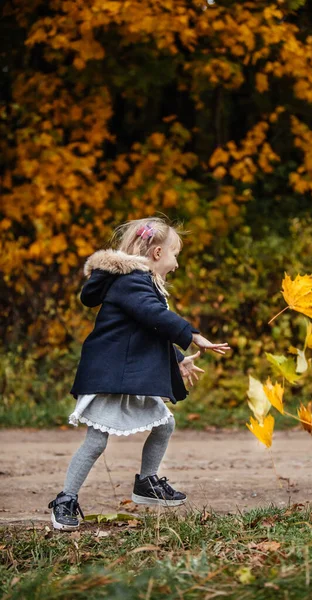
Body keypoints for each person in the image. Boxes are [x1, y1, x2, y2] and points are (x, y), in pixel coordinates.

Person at [48, 217, 230, 530]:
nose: (176, 264)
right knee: (95, 442)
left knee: (164, 425)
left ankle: (146, 482)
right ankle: (66, 499)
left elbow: (146, 330)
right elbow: (154, 315)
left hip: (125, 373)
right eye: (175, 255)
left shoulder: (138, 284)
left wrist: (177, 359)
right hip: (110, 374)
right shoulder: (132, 281)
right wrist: (192, 334)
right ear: (157, 253)